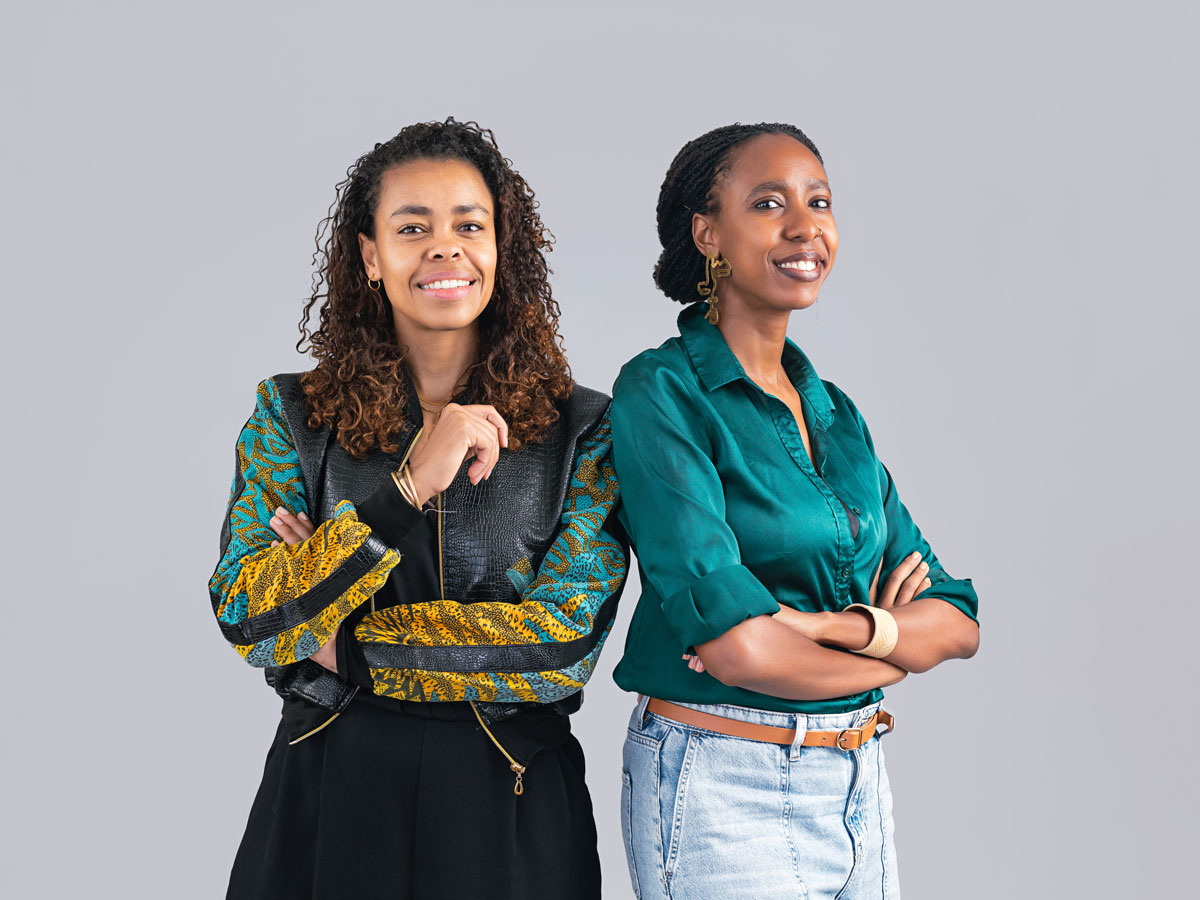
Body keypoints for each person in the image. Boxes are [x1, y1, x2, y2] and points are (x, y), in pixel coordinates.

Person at [207, 118, 627, 900]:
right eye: (412, 228)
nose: (445, 248)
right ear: (371, 255)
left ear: (504, 249)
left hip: (508, 802)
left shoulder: (585, 430)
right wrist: (405, 492)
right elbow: (251, 615)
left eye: (470, 225)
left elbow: (556, 647)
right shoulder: (291, 416)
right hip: (328, 789)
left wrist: (345, 645)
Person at [611, 123, 980, 899]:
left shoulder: (837, 414)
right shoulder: (662, 393)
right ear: (708, 234)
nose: (804, 226)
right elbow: (737, 651)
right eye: (770, 203)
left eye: (819, 202)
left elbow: (956, 619)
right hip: (724, 783)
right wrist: (892, 658)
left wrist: (825, 628)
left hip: (857, 785)